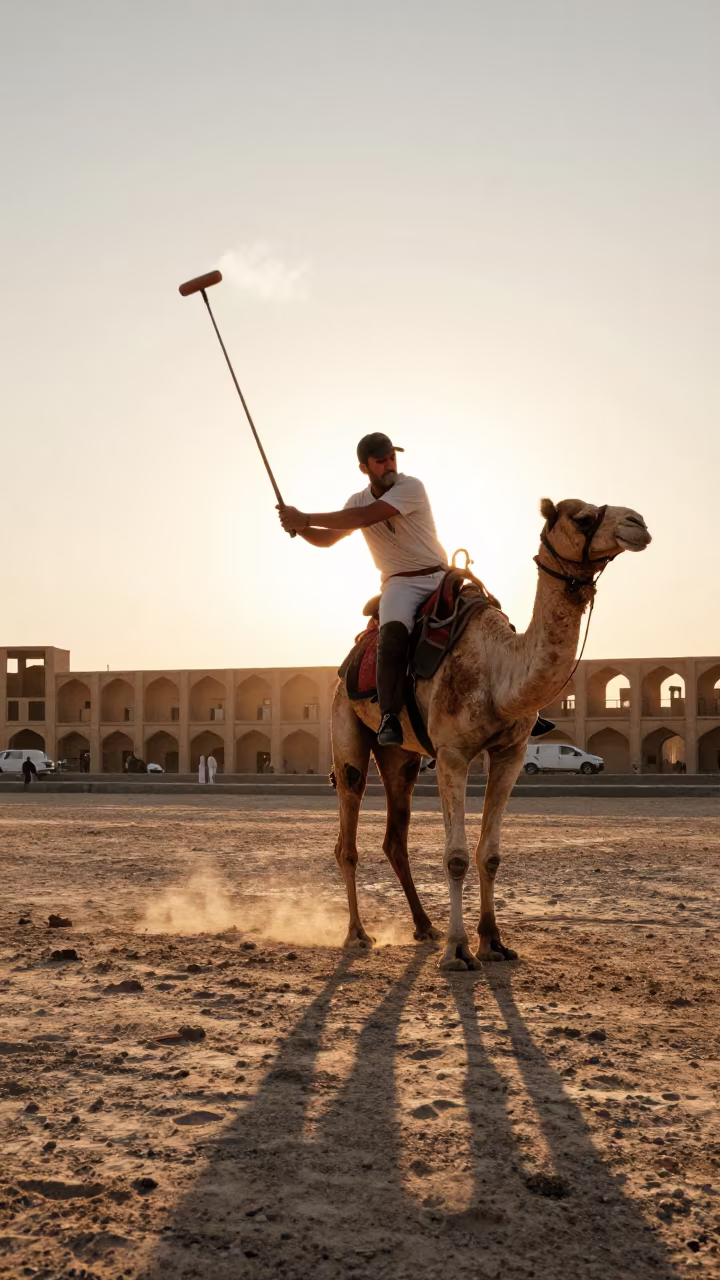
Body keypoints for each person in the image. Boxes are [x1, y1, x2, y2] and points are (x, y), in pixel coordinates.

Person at [279, 432, 554, 748]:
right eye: (381, 461)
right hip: (400, 584)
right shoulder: (357, 500)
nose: (390, 464)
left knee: (491, 617)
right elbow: (328, 538)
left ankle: (526, 706)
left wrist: (305, 517)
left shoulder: (410, 487)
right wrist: (299, 528)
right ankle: (390, 715)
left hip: (440, 576)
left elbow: (365, 517)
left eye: (392, 457)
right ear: (364, 468)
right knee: (392, 636)